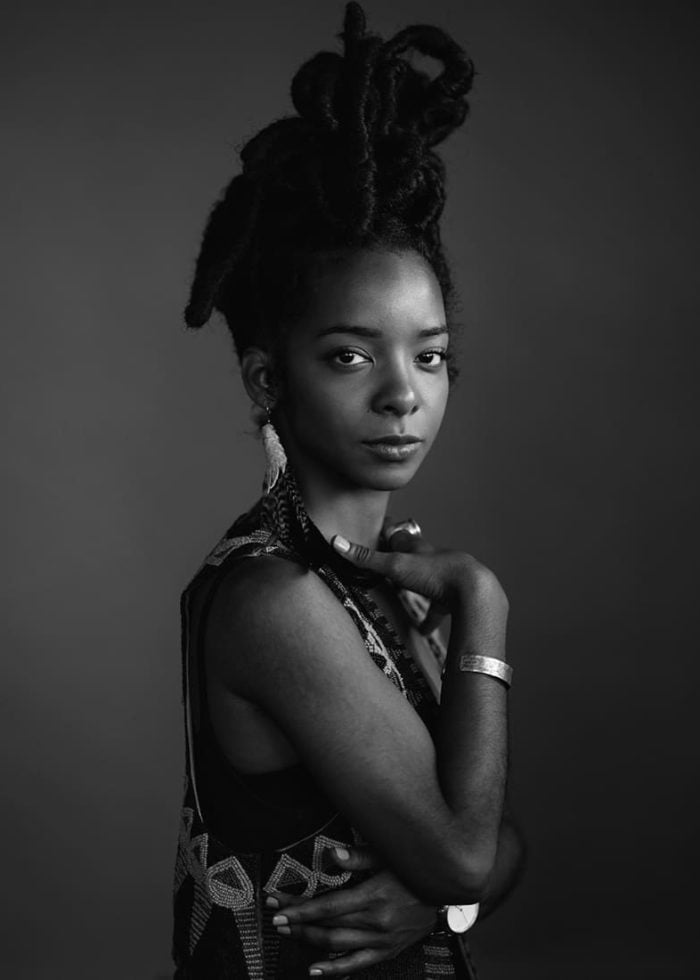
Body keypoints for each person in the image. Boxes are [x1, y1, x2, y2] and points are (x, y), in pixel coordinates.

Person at [172, 3, 525, 977]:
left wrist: (443, 904)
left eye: (432, 354)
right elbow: (465, 852)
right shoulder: (275, 599)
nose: (403, 391)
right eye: (350, 353)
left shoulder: (383, 575)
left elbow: (490, 839)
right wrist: (484, 616)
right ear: (264, 377)